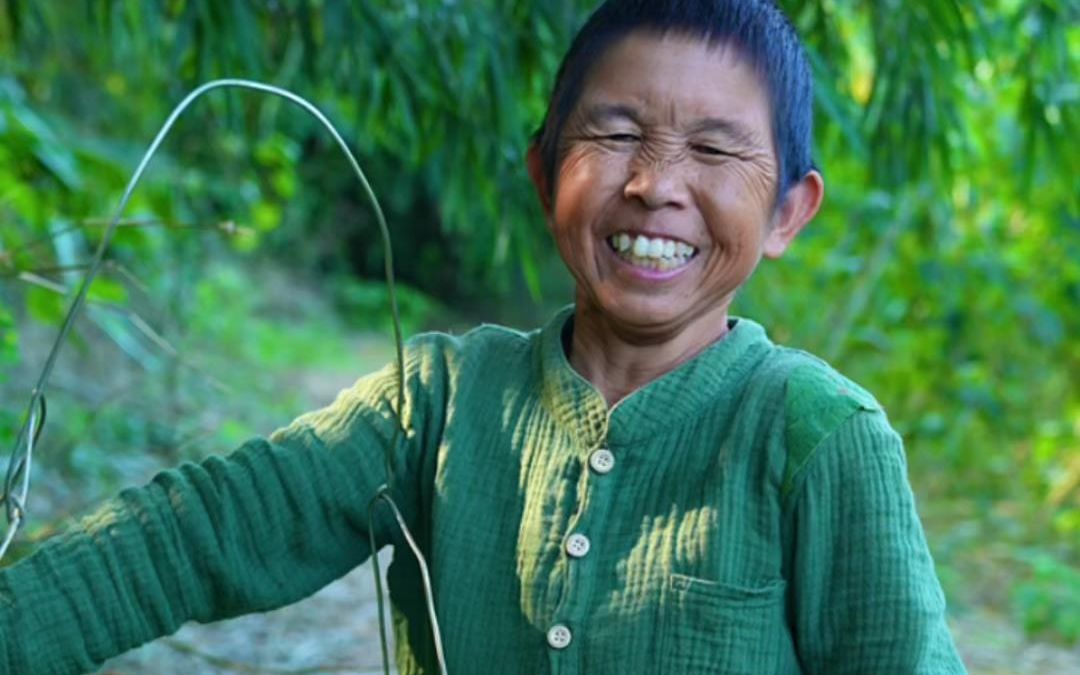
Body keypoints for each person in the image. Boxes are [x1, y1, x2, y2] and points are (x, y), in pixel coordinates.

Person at [0, 0, 967, 673]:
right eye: (617, 132)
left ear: (791, 210)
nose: (656, 183)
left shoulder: (817, 435)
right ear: (546, 170)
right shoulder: (440, 401)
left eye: (714, 149)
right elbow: (201, 533)